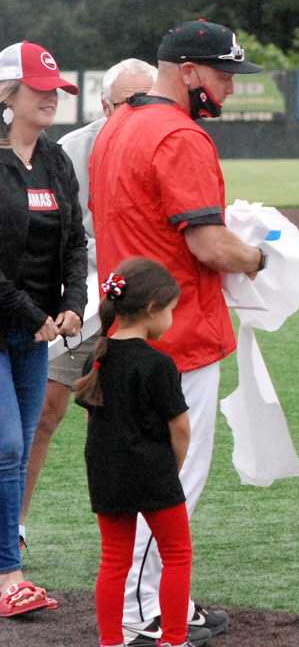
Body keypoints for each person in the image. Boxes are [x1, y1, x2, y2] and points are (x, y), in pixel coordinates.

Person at [89, 20, 265, 646]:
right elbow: (209, 244)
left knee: (147, 481)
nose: (229, 89)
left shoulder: (117, 126)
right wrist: (260, 258)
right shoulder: (178, 135)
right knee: (167, 485)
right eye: (222, 75)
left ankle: (167, 601)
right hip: (175, 337)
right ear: (188, 72)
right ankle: (145, 614)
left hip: (123, 335)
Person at [19, 59, 157, 551]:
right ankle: (13, 528)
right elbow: (65, 236)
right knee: (44, 413)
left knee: (140, 422)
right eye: (128, 102)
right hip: (84, 298)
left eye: (149, 99)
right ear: (104, 106)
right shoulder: (72, 150)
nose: (141, 110)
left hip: (142, 307)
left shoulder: (166, 142)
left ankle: (142, 550)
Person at [75, 258, 209, 647]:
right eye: (171, 310)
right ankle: (175, 638)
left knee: (114, 561)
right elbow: (180, 428)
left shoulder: (97, 356)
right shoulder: (159, 364)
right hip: (154, 473)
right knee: (177, 554)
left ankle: (112, 641)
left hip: (107, 474)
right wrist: (174, 468)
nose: (171, 318)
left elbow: (93, 425)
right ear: (152, 308)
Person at [0, 41, 86, 616]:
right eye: (39, 87)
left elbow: (76, 240)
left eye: (55, 88)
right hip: (20, 323)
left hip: (35, 330)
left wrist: (73, 304)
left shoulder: (55, 159)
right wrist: (38, 318)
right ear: (8, 94)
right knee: (7, 446)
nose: (50, 96)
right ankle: (10, 574)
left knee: (18, 446)